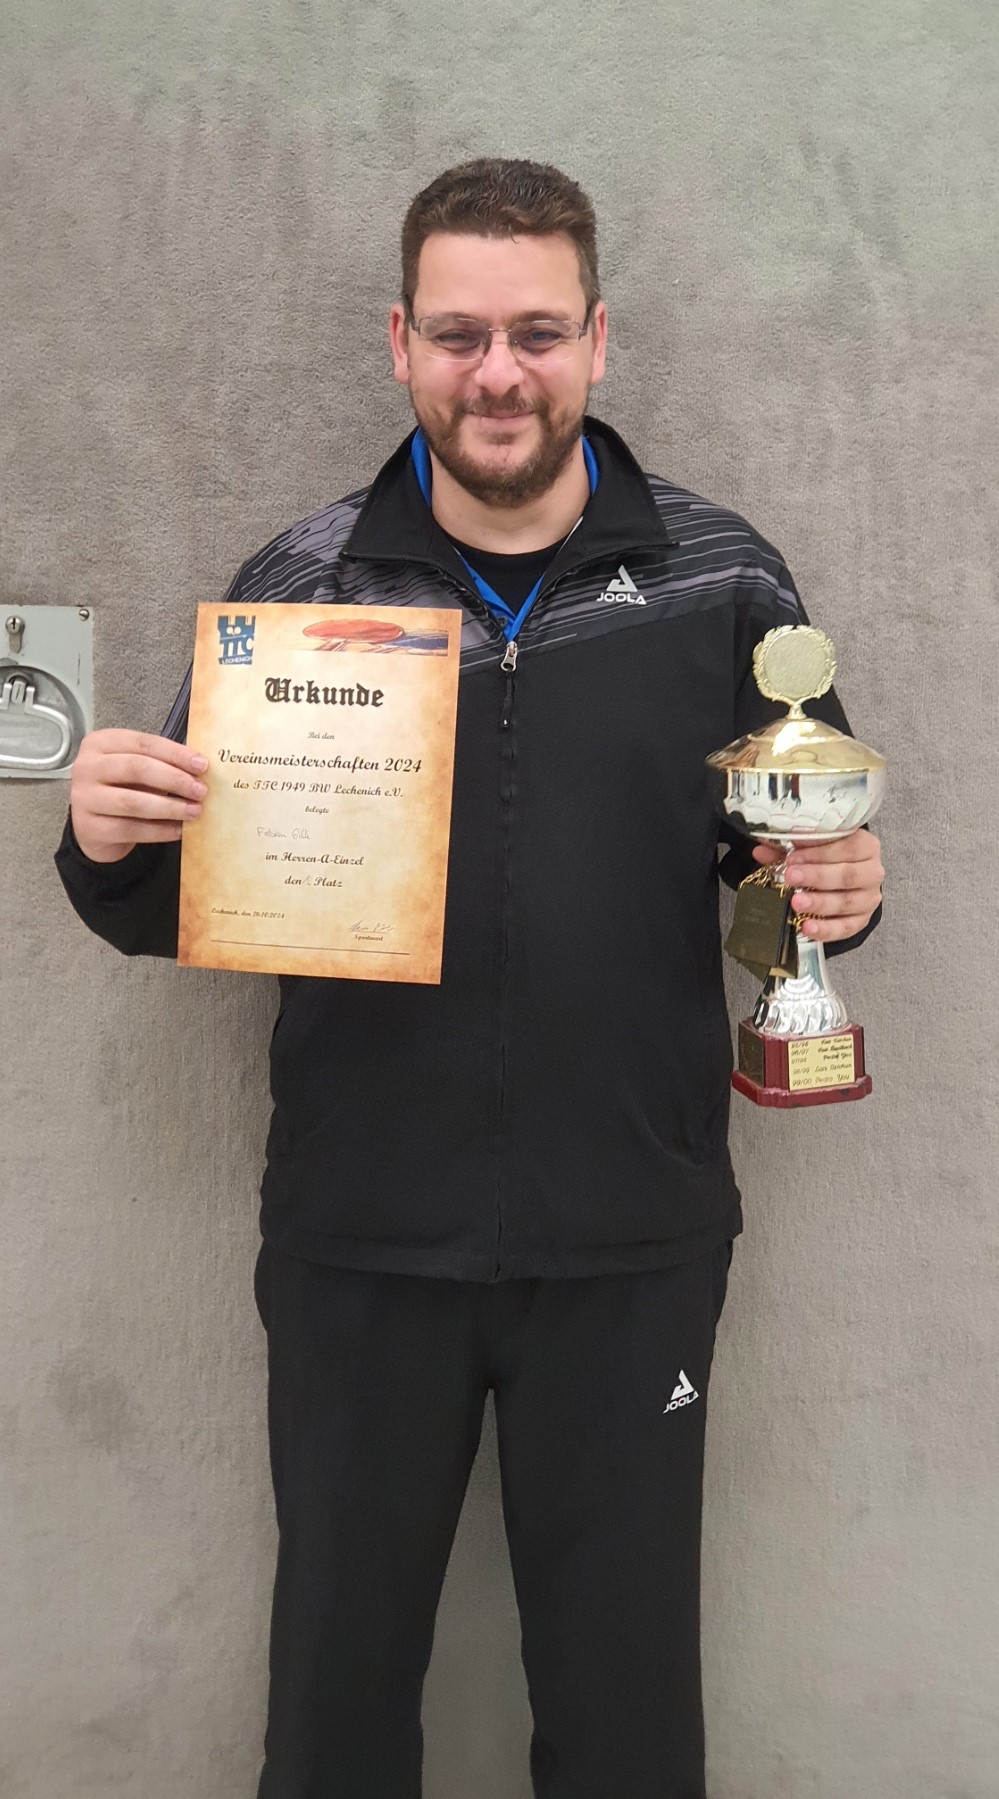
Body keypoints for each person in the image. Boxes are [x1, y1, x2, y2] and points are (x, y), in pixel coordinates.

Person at [55, 159, 884, 1799]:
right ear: (400, 343)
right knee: (335, 1703)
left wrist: (831, 903)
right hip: (361, 1239)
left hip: (631, 1241)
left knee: (628, 1717)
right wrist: (105, 841)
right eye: (457, 335)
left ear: (598, 340)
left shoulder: (724, 578)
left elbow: (770, 876)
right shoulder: (301, 589)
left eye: (536, 333)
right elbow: (181, 905)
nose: (497, 374)